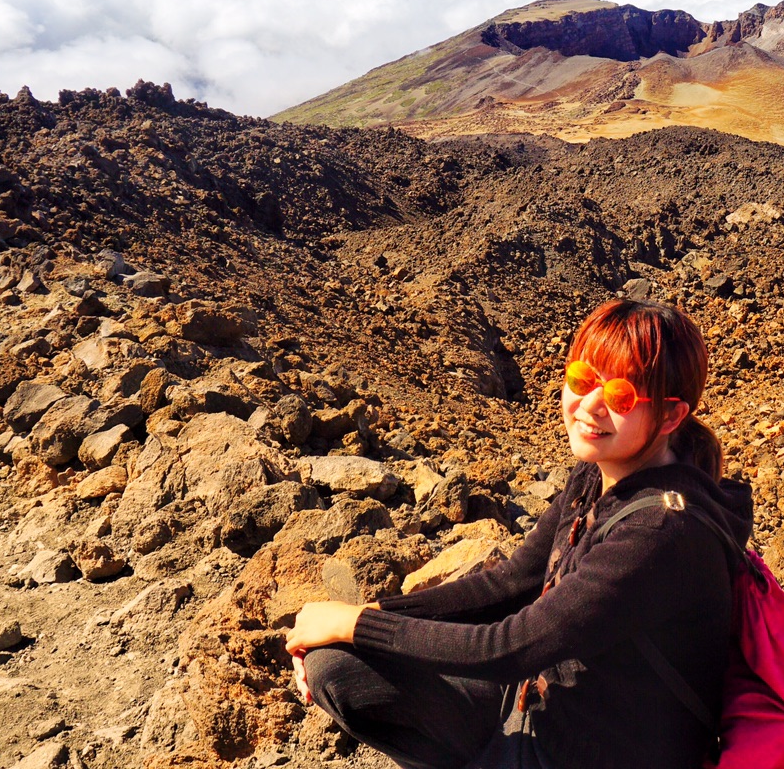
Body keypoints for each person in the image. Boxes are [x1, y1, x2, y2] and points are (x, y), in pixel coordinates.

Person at [286, 298, 751, 769]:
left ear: (671, 416)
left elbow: (512, 646)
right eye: (583, 380)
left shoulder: (661, 530)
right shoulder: (600, 472)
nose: (589, 406)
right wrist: (362, 617)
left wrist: (354, 625)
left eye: (620, 397)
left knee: (351, 642)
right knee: (337, 666)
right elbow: (508, 584)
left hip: (600, 749)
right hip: (541, 706)